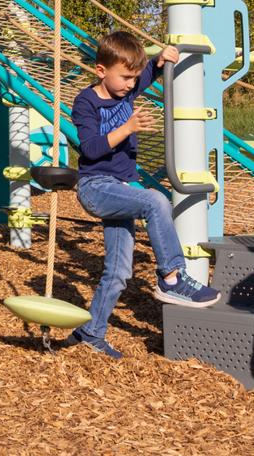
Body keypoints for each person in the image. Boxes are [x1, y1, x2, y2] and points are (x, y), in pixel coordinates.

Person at [65, 32, 222, 358]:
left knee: (119, 272)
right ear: (100, 70)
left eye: (133, 79)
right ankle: (172, 277)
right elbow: (90, 149)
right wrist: (127, 128)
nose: (130, 85)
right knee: (155, 201)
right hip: (96, 187)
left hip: (121, 190)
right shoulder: (86, 102)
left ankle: (91, 333)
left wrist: (160, 61)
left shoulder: (127, 89)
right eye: (124, 77)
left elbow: (147, 74)